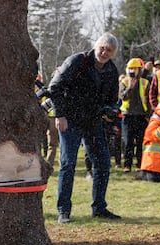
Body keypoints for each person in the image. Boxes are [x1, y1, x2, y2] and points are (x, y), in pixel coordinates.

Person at [49, 32, 122, 224]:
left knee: (103, 164)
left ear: (113, 53)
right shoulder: (77, 61)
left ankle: (99, 208)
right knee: (68, 164)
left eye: (109, 50)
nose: (104, 52)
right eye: (102, 48)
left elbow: (112, 99)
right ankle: (63, 211)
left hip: (94, 122)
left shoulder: (112, 71)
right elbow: (54, 86)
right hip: (70, 120)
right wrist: (60, 115)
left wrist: (111, 109)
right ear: (96, 46)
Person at [119, 58, 150, 172]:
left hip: (141, 116)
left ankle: (139, 164)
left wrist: (148, 115)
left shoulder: (145, 82)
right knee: (128, 142)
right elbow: (122, 97)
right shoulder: (124, 82)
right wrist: (129, 88)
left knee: (141, 141)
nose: (132, 71)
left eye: (134, 68)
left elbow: (149, 100)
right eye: (130, 68)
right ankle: (127, 165)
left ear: (139, 70)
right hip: (128, 116)